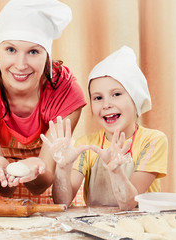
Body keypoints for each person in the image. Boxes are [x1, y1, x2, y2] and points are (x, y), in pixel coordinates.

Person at [0, 0, 86, 204]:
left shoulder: (65, 92)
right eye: (10, 50)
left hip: (53, 189)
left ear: (47, 56)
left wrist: (36, 168)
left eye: (33, 52)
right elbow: (0, 186)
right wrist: (1, 172)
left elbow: (43, 183)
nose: (21, 65)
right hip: (0, 196)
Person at [41, 46, 168, 210]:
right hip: (97, 227)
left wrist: (116, 171)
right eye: (98, 97)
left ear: (135, 98)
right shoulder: (86, 144)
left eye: (116, 94)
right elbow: (63, 202)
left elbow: (129, 203)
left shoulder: (152, 141)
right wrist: (62, 169)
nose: (107, 104)